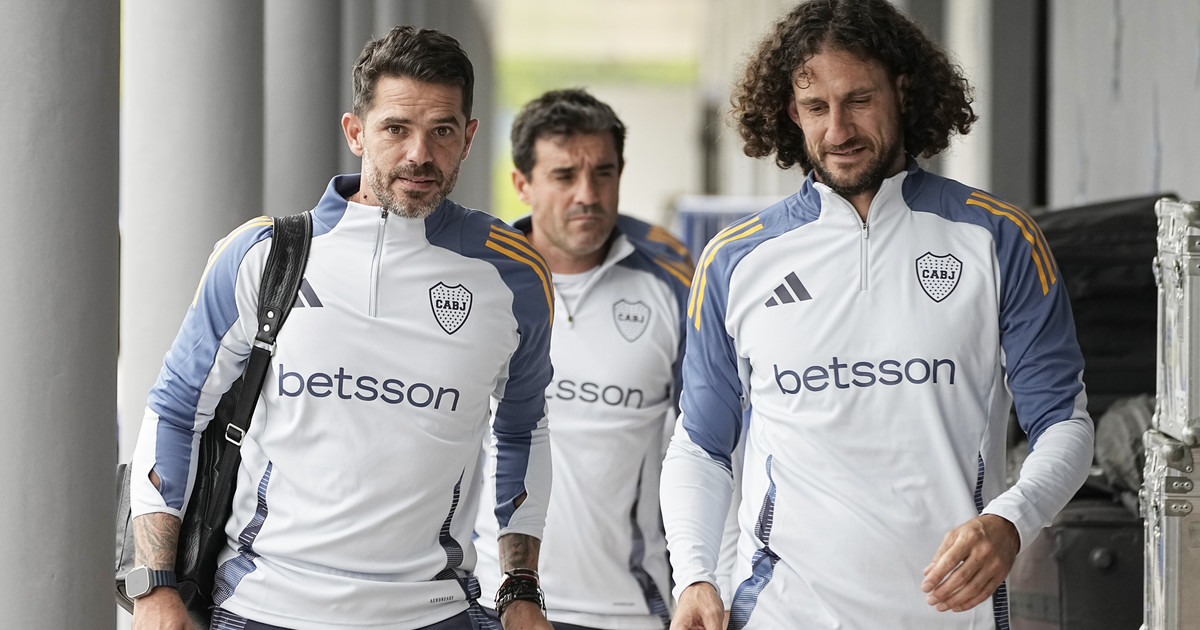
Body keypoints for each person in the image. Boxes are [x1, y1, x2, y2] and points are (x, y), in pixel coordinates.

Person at [659, 1, 1096, 628]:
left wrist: (1012, 519)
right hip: (784, 613)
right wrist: (695, 575)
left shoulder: (998, 238)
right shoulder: (735, 261)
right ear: (791, 113)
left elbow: (1064, 423)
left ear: (903, 91)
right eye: (815, 107)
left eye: (859, 100)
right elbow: (702, 446)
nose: (838, 129)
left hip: (952, 615)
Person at [128, 25, 556, 630]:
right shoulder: (263, 255)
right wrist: (153, 585)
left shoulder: (512, 273)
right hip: (261, 609)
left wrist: (520, 588)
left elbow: (522, 431)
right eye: (396, 129)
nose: (419, 154)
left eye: (442, 131)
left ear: (468, 138)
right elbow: (176, 411)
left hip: (431, 614)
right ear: (356, 132)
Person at [472, 89, 694, 630]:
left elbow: (714, 448)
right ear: (522, 184)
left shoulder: (674, 284)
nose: (587, 194)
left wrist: (716, 580)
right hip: (488, 603)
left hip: (628, 610)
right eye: (565, 175)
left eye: (603, 173)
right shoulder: (476, 280)